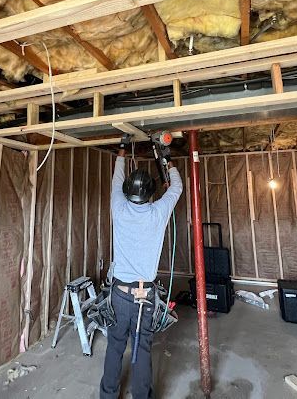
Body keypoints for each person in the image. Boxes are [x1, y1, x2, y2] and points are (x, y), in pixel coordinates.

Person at [99, 135, 183, 399]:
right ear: (150, 193)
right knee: (141, 348)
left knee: (114, 347)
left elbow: (115, 180)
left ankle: (108, 395)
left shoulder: (118, 208)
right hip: (144, 296)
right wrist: (167, 160)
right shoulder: (158, 213)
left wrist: (122, 151)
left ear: (127, 192)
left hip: (119, 294)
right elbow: (177, 188)